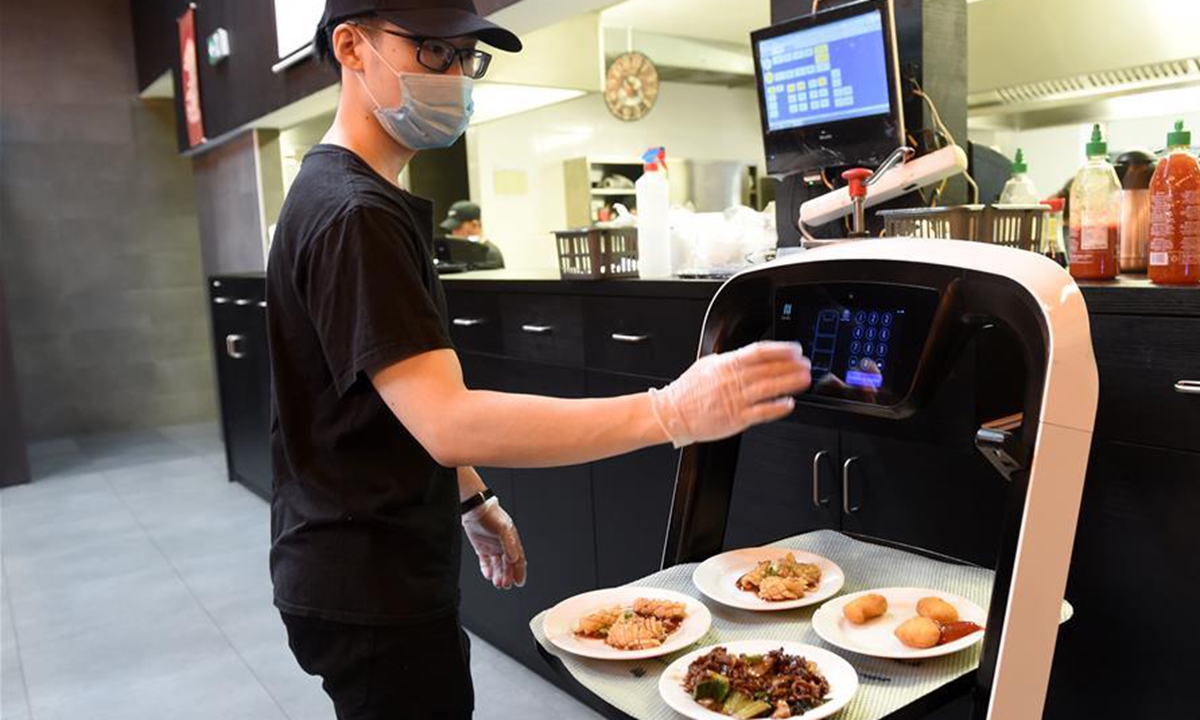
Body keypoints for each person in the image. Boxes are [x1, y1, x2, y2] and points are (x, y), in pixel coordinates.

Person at [265, 2, 813, 718]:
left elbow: (386, 399)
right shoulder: (354, 212)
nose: (454, 77)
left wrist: (472, 496)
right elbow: (449, 421)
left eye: (465, 58)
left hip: (357, 560)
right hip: (368, 578)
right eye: (432, 51)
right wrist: (670, 411)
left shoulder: (357, 196)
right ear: (350, 46)